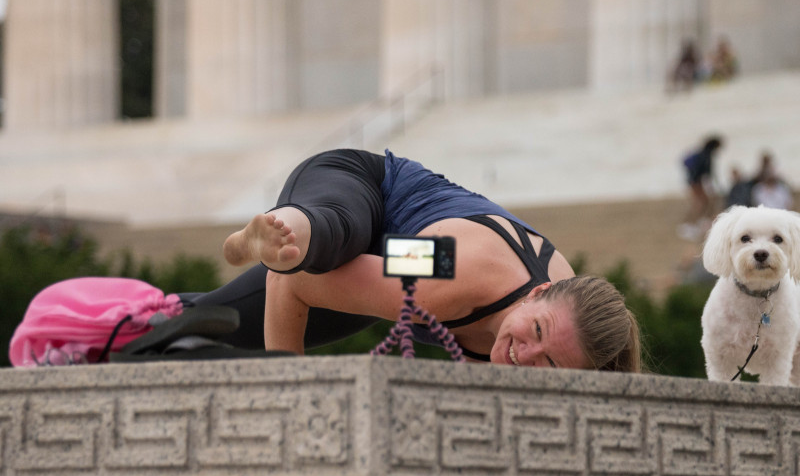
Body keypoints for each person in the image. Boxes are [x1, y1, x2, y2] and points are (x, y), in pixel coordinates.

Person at [188, 149, 644, 372]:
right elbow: (295, 283)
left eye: (549, 365)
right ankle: (281, 228)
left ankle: (137, 314)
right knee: (330, 240)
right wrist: (292, 395)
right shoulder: (448, 273)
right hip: (366, 188)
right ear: (539, 293)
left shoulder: (572, 323)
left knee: (192, 325)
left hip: (397, 264)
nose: (525, 356)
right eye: (537, 332)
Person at [676, 135, 723, 240]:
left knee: (703, 203)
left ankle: (694, 223)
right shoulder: (707, 156)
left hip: (693, 181)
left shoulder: (701, 153)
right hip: (696, 182)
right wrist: (713, 187)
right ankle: (689, 225)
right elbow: (708, 173)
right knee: (700, 204)